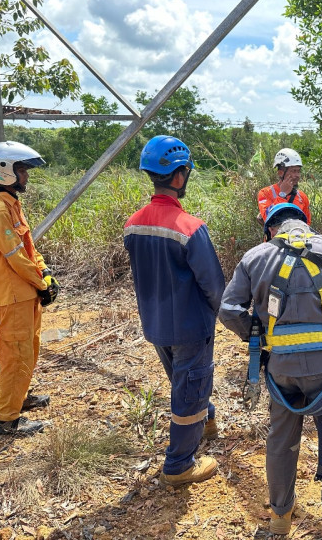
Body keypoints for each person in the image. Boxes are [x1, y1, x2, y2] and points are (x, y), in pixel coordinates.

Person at [219, 203, 322, 539]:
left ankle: (280, 515)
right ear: (305, 226)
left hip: (281, 369)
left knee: (281, 443)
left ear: (272, 230)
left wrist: (258, 335)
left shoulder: (256, 257)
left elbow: (228, 309)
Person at [124, 135, 225, 487]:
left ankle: (206, 421)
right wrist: (224, 315)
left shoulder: (133, 224)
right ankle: (179, 465)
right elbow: (213, 285)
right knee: (189, 387)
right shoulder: (190, 228)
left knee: (186, 382)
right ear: (179, 176)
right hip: (190, 327)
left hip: (155, 324)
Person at [0, 141, 59, 436]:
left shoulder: (11, 204)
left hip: (26, 291)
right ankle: (8, 419)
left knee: (29, 350)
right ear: (5, 172)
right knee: (15, 354)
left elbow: (28, 248)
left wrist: (46, 274)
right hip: (14, 294)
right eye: (22, 169)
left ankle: (20, 399)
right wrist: (41, 283)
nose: (26, 175)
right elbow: (14, 257)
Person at [256, 148, 312, 225]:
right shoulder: (265, 193)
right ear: (280, 173)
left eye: (298, 171)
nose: (297, 175)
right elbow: (268, 218)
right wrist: (283, 194)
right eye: (293, 171)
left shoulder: (302, 197)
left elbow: (307, 223)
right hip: (275, 236)